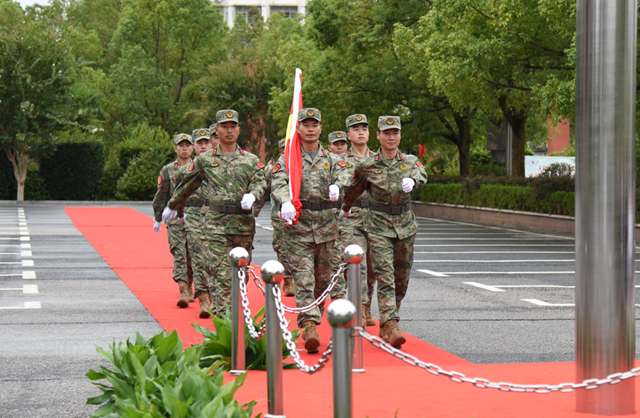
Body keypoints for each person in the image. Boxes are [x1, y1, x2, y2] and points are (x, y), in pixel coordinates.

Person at [164, 110, 267, 318]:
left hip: (243, 226)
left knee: (240, 275)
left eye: (232, 127)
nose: (228, 131)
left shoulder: (250, 160)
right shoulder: (204, 160)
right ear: (216, 131)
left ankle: (238, 318)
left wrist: (253, 195)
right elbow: (187, 185)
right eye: (224, 127)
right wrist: (173, 205)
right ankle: (223, 322)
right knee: (221, 275)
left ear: (238, 130)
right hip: (216, 226)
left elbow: (261, 181)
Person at [340, 115, 427, 348]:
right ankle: (391, 323)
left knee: (401, 278)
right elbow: (354, 189)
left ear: (399, 136)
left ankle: (388, 320)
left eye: (395, 133)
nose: (391, 137)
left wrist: (414, 182)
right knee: (385, 275)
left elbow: (421, 174)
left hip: (405, 226)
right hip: (377, 226)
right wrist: (346, 208)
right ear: (378, 135)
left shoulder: (410, 161)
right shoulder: (368, 165)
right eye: (386, 133)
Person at [271, 108, 347, 354]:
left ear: (321, 128)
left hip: (327, 227)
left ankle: (313, 316)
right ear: (299, 128)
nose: (311, 128)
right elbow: (278, 180)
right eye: (306, 124)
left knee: (323, 281)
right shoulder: (289, 159)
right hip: (299, 228)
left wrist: (338, 186)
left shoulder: (332, 158)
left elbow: (346, 175)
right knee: (304, 279)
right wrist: (284, 200)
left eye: (315, 124)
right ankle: (310, 325)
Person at [339, 114, 377, 327]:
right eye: (355, 129)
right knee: (356, 262)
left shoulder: (379, 159)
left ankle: (367, 301)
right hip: (350, 216)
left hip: (376, 217)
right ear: (349, 135)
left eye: (364, 128)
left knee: (372, 267)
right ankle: (360, 306)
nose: (360, 131)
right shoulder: (341, 161)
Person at [151, 133, 194, 308]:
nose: (184, 148)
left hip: (195, 218)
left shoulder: (198, 166)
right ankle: (183, 289)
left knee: (192, 254)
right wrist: (157, 216)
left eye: (187, 145)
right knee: (179, 253)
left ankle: (191, 285)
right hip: (175, 218)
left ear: (192, 147)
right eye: (181, 145)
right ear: (175, 148)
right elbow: (161, 195)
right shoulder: (168, 170)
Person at [178, 128, 213, 315]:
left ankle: (216, 297)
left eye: (206, 142)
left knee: (215, 260)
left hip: (217, 218)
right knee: (198, 259)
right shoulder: (186, 170)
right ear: (195, 147)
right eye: (199, 143)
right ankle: (204, 299)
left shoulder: (221, 168)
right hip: (194, 217)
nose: (203, 146)